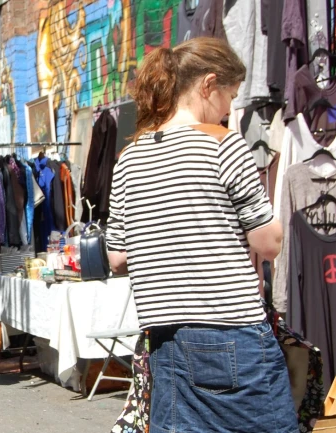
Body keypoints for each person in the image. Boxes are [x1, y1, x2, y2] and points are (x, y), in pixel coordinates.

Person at [104, 38, 294, 432]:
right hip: (232, 331)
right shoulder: (223, 144)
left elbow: (117, 258)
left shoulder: (129, 158)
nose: (230, 109)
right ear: (208, 85)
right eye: (231, 95)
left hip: (165, 340)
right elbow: (268, 243)